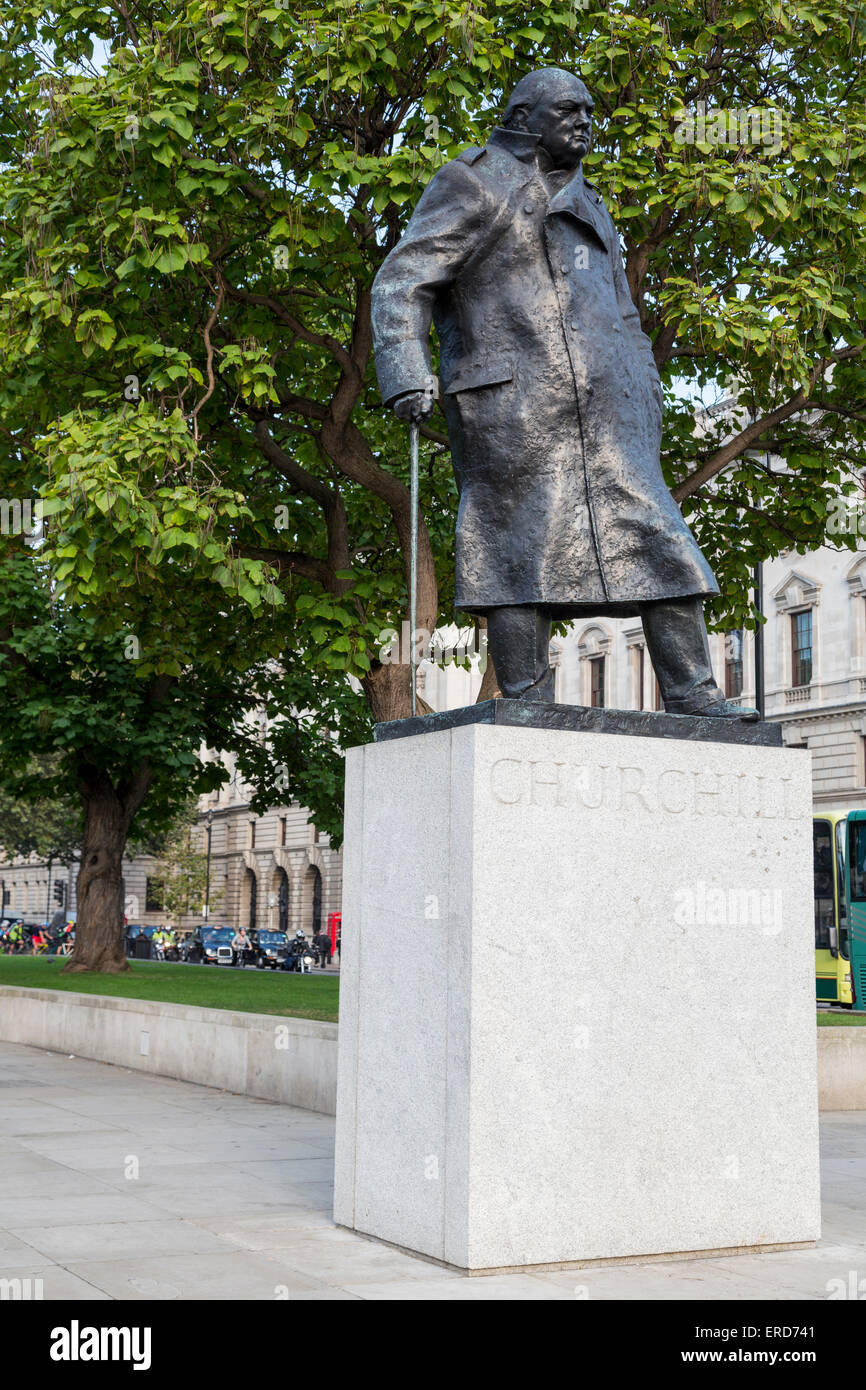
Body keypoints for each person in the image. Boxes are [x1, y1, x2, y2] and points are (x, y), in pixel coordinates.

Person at [371, 67, 757, 720]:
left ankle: (694, 693)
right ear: (524, 117)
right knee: (515, 550)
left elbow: (623, 313)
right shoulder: (470, 180)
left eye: (589, 111)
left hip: (610, 418)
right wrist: (405, 368)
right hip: (510, 408)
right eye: (570, 110)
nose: (585, 122)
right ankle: (525, 701)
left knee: (662, 544)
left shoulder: (592, 200)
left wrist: (645, 392)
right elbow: (403, 280)